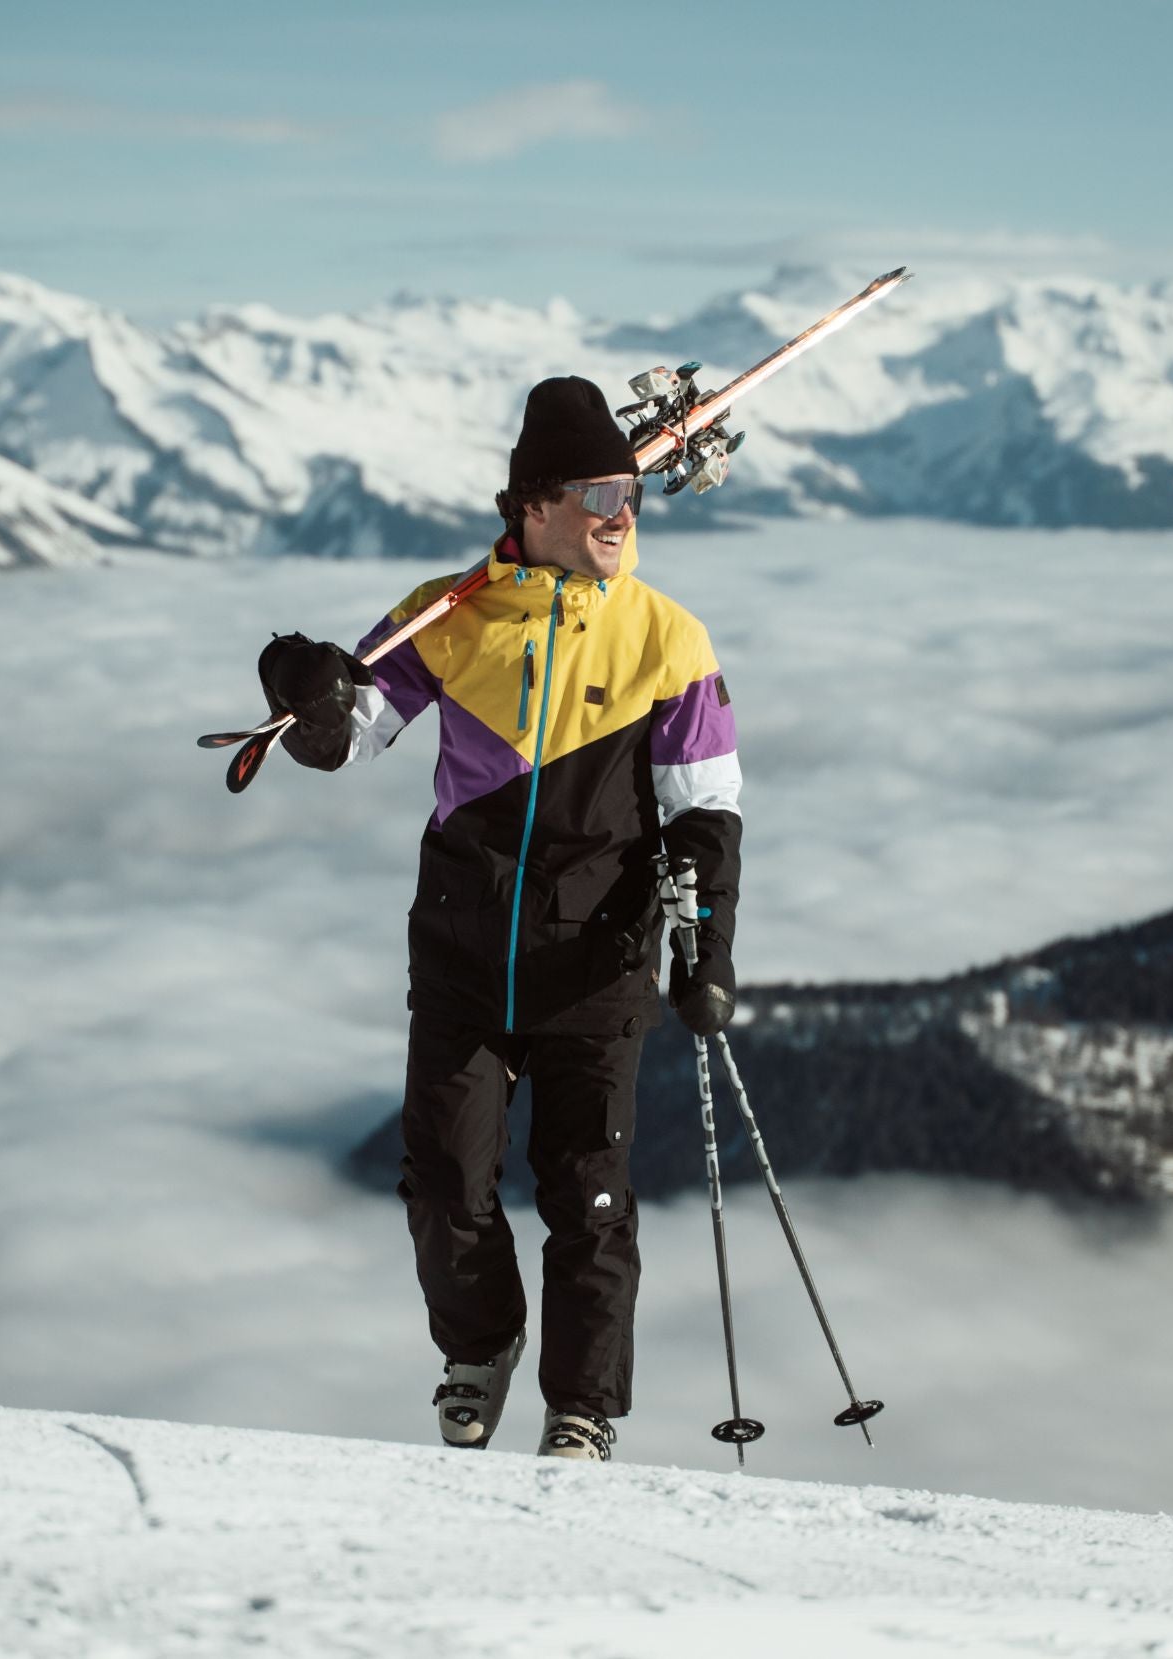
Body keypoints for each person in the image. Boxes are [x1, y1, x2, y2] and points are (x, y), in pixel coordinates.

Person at [258, 377, 741, 1462]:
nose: (622, 513)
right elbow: (352, 732)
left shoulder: (669, 640)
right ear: (530, 506)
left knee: (591, 1198)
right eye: (597, 492)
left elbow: (706, 811)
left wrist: (704, 947)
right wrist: (305, 681)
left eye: (632, 490)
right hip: (467, 955)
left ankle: (583, 1410)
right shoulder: (450, 614)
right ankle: (480, 1349)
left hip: (596, 963)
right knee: (444, 1184)